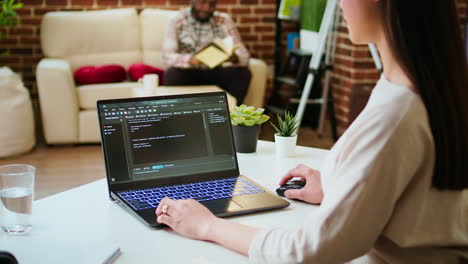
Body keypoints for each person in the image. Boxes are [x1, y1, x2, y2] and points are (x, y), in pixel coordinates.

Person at [156, 0, 468, 262]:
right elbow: (411, 194)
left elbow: (310, 249)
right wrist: (337, 186)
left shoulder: (396, 111)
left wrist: (207, 226)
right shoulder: (424, 86)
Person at [162, 0, 251, 104]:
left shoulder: (224, 20)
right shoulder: (177, 20)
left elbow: (245, 57)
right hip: (189, 72)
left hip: (216, 71)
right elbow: (167, 57)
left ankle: (232, 115)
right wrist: (191, 59)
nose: (206, 8)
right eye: (202, 3)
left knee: (243, 73)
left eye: (212, 4)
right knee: (171, 74)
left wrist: (234, 58)